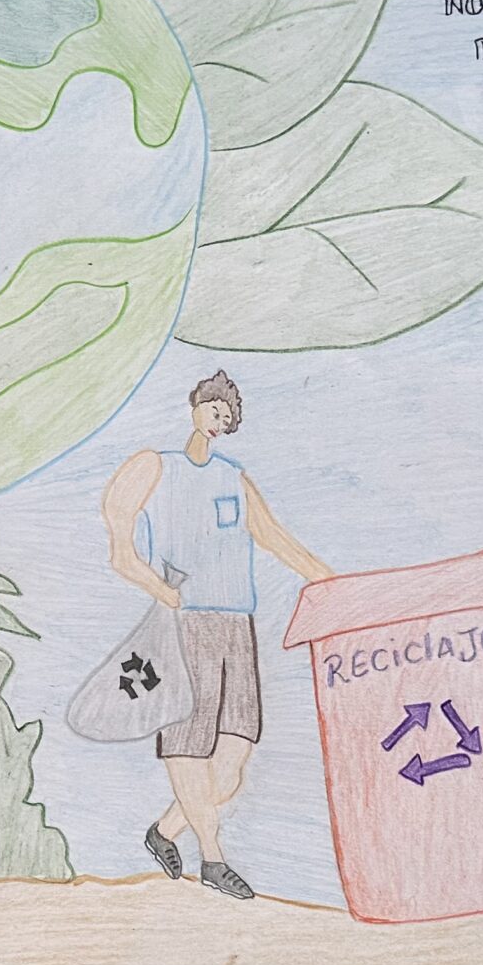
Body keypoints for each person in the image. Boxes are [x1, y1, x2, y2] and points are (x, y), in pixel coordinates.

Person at [100, 371, 331, 898]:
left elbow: (276, 539)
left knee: (231, 765)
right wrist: (160, 589)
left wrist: (331, 582)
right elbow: (120, 546)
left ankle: (164, 832)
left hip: (236, 626)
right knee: (187, 746)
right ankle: (212, 857)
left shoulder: (234, 478)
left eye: (227, 418)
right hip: (187, 625)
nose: (219, 421)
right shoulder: (155, 467)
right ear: (195, 406)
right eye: (214, 410)